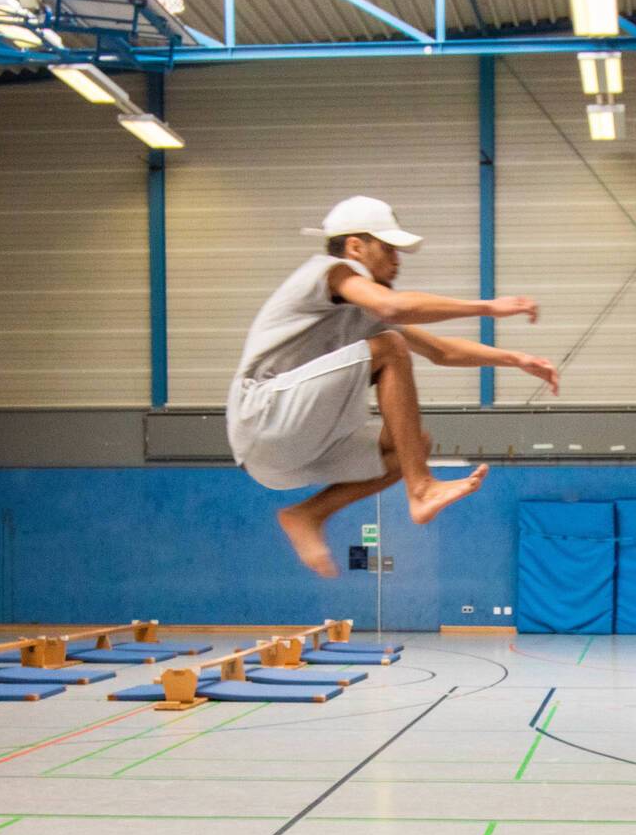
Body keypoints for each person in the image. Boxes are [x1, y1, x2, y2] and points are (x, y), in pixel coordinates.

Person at [227, 195, 559, 577]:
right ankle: (421, 489)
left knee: (412, 444)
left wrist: (516, 359)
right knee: (391, 348)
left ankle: (308, 514)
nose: (397, 261)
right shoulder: (328, 271)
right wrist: (487, 306)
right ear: (355, 246)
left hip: (284, 461)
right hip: (261, 414)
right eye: (388, 249)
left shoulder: (365, 313)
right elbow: (394, 306)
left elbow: (442, 351)